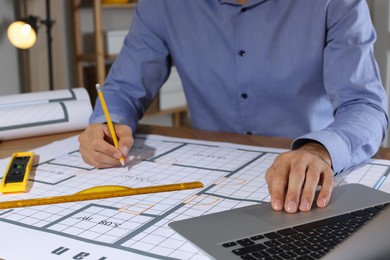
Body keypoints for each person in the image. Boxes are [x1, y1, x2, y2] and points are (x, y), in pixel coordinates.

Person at [79, 0, 388, 214]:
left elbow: (364, 104)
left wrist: (318, 150)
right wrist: (108, 125)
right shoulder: (162, 5)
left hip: (308, 177)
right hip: (208, 180)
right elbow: (123, 88)